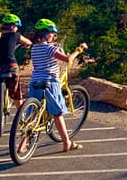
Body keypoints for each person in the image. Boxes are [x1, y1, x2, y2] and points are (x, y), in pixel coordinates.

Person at [27, 18, 88, 152]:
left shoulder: (34, 47)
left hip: (34, 82)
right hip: (50, 82)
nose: (53, 36)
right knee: (57, 113)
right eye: (51, 33)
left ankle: (21, 146)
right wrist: (79, 49)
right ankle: (67, 142)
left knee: (32, 113)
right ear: (44, 33)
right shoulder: (48, 48)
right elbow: (67, 59)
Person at [0, 13, 32, 133]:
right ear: (12, 27)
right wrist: (25, 45)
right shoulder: (16, 35)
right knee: (16, 93)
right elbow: (29, 42)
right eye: (16, 26)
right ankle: (22, 119)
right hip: (11, 66)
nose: (16, 29)